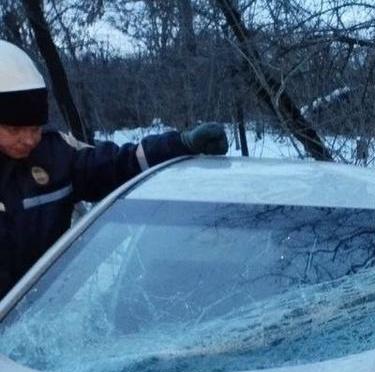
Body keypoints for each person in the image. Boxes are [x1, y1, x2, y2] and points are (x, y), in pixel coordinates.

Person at [0, 41, 228, 296]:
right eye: (14, 130)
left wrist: (180, 144)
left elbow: (114, 166)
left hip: (35, 320)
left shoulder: (55, 154)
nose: (29, 139)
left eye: (35, 128)